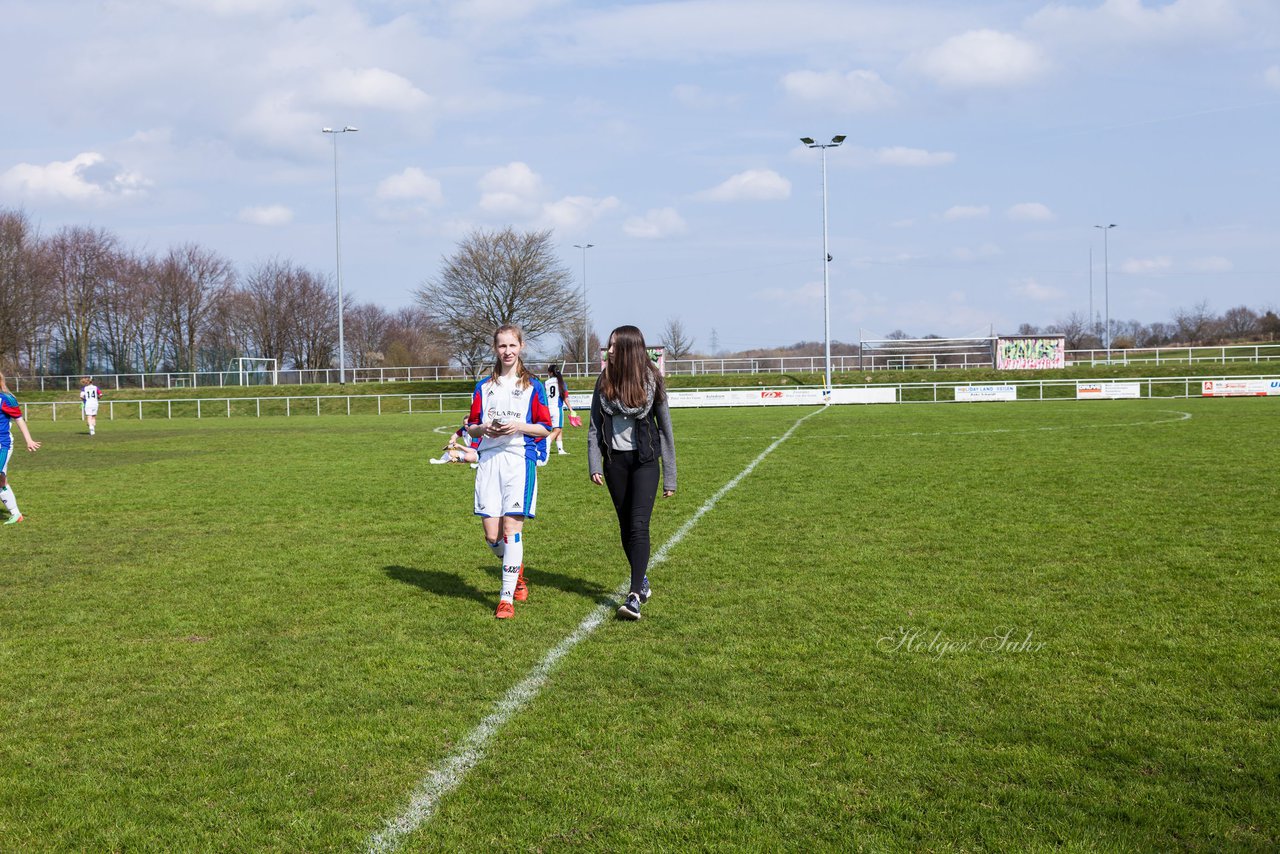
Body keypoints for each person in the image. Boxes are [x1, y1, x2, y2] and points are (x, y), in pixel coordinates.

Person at [588, 326, 677, 621]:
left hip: (645, 462)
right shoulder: (604, 381)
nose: (609, 351)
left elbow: (665, 430)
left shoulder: (652, 381)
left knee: (639, 524)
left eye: (614, 346)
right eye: (609, 345)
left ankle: (635, 594)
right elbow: (593, 426)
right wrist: (595, 463)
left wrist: (670, 476)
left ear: (628, 349)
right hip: (615, 463)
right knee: (626, 526)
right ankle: (643, 581)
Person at [465, 325, 552, 618]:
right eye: (502, 346)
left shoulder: (533, 386)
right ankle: (516, 571)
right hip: (489, 462)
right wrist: (483, 428)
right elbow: (472, 425)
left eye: (512, 345)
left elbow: (545, 427)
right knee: (492, 535)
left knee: (512, 529)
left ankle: (506, 598)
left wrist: (519, 426)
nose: (507, 351)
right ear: (495, 349)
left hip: (519, 460)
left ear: (521, 346)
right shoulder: (483, 387)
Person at [0, 371, 41, 524]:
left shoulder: (5, 399)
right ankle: (16, 514)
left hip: (2, 444)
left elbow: (19, 420)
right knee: (1, 481)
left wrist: (29, 440)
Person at [543, 364, 577, 458]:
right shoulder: (561, 382)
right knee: (557, 429)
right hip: (557, 409)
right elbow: (565, 398)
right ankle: (546, 442)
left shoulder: (546, 382)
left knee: (559, 429)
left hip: (547, 409)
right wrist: (571, 409)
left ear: (550, 373)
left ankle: (560, 450)